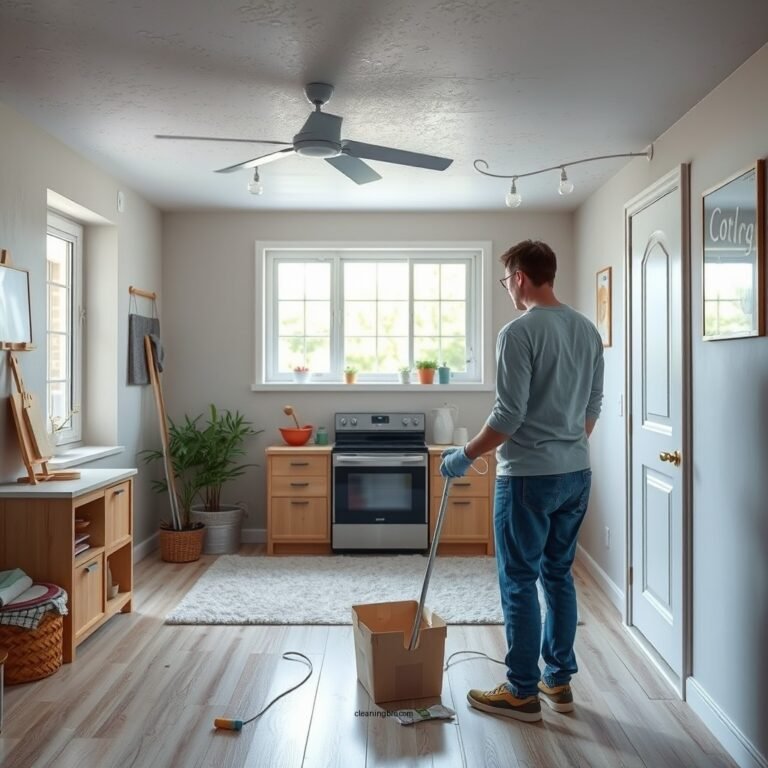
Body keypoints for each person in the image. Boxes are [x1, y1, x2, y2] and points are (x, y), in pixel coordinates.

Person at [440, 239, 604, 722]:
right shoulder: (587, 330)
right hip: (576, 474)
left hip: (529, 479)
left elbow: (508, 416)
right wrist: (565, 443)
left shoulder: (519, 332)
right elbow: (592, 408)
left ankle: (521, 691)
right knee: (558, 576)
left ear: (519, 277)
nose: (508, 288)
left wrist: (464, 455)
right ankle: (558, 681)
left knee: (518, 581)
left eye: (506, 278)